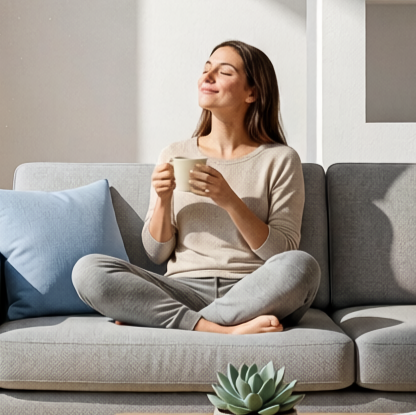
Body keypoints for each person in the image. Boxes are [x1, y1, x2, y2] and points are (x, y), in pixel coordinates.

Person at [72, 40, 320, 334]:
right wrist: (163, 200)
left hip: (253, 292)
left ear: (252, 92)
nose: (208, 77)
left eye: (224, 72)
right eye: (206, 69)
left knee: (302, 266)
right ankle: (220, 330)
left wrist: (229, 200)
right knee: (88, 271)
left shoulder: (279, 159)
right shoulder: (175, 153)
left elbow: (281, 251)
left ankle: (181, 322)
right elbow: (156, 253)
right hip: (182, 290)